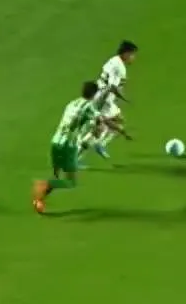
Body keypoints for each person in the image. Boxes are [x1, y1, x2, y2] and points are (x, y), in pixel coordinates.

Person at [34, 81, 130, 213]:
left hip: (55, 141)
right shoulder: (90, 107)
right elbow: (104, 121)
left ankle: (39, 200)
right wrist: (121, 130)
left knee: (56, 176)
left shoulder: (71, 103)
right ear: (94, 94)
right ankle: (42, 186)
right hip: (68, 146)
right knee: (70, 182)